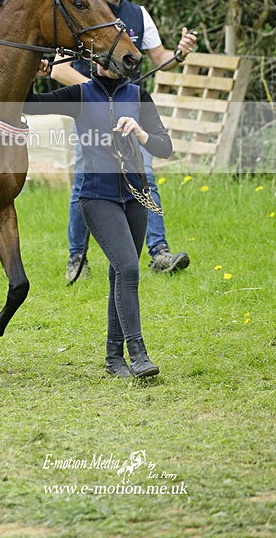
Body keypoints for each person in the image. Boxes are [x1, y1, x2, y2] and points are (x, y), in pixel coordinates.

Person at [50, 0, 197, 280]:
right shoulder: (78, 12)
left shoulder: (138, 14)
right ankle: (77, 259)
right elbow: (59, 70)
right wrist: (95, 92)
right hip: (92, 112)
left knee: (144, 175)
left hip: (131, 110)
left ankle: (159, 252)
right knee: (85, 182)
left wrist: (180, 53)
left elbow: (161, 58)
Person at [25, 59, 173, 377]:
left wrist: (141, 133)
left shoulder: (139, 96)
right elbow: (28, 105)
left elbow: (165, 147)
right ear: (95, 59)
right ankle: (138, 354)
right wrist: (30, 75)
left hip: (136, 198)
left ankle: (113, 359)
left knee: (119, 274)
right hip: (96, 198)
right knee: (129, 268)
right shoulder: (80, 94)